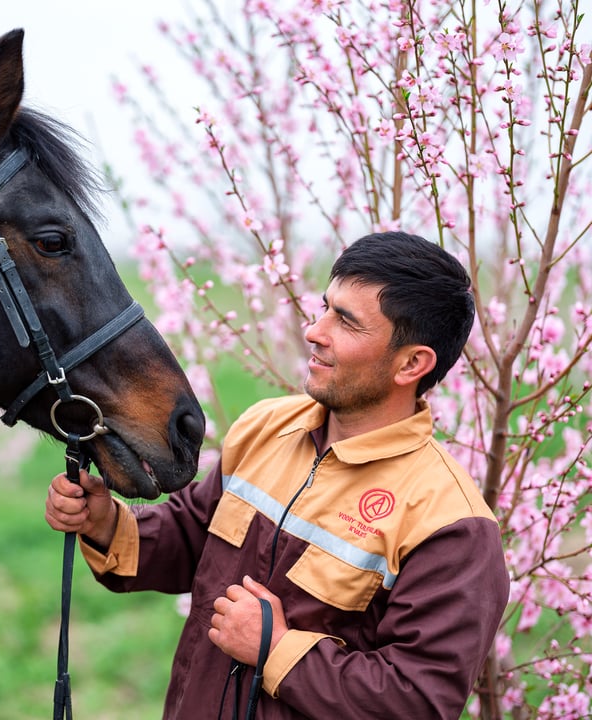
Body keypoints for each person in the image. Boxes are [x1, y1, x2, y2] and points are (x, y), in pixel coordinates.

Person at [44, 231, 510, 719]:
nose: (315, 330)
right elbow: (196, 534)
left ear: (412, 363)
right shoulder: (268, 427)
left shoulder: (452, 527)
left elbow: (417, 701)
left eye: (346, 322)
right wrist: (107, 524)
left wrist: (276, 650)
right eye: (325, 307)